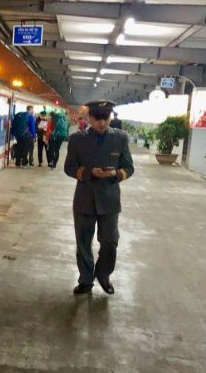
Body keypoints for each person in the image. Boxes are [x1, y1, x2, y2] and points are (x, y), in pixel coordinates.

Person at [64, 100, 134, 295]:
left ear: (110, 117)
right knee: (83, 243)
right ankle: (86, 280)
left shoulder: (120, 138)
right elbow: (69, 167)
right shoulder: (77, 139)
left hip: (110, 200)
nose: (102, 124)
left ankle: (103, 275)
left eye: (106, 119)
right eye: (97, 119)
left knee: (110, 242)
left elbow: (129, 168)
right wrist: (88, 172)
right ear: (89, 118)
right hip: (84, 199)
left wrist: (115, 175)